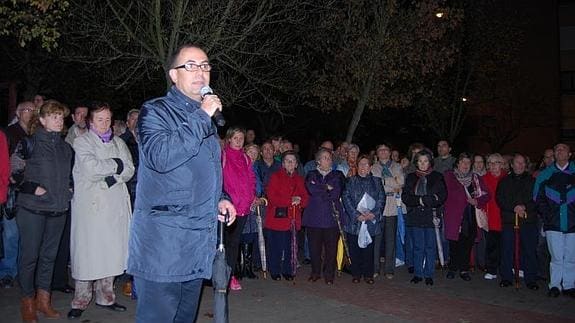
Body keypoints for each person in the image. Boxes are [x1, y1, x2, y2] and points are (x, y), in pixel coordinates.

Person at [127, 44, 236, 322]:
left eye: (205, 65)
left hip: (197, 242)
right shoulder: (155, 111)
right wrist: (202, 116)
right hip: (165, 244)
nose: (200, 71)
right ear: (174, 75)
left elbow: (200, 171)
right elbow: (161, 157)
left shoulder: (206, 120)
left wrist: (220, 197)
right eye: (191, 65)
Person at [67, 102, 135, 319]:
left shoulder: (118, 142)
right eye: (100, 119)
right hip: (92, 207)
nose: (105, 123)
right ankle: (80, 299)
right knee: (89, 253)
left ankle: (106, 296)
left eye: (107, 119)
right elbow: (92, 169)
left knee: (111, 252)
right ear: (90, 121)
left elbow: (130, 169)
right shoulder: (82, 142)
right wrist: (116, 166)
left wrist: (112, 172)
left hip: (115, 207)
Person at [11, 100, 73, 322]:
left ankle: (43, 301)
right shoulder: (29, 143)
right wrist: (32, 188)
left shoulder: (67, 148)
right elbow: (14, 173)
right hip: (32, 210)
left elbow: (68, 176)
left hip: (58, 209)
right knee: (30, 257)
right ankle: (28, 302)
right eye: (54, 116)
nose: (58, 121)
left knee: (49, 257)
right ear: (43, 120)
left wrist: (69, 189)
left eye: (60, 117)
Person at [1, 101, 36, 289]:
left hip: (32, 191)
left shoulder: (36, 133)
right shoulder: (9, 133)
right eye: (27, 110)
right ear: (18, 112)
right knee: (11, 233)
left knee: (28, 234)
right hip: (13, 190)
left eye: (34, 110)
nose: (31, 113)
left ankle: (24, 272)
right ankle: (7, 271)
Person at [534, 143, 575, 298]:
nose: (560, 152)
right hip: (553, 223)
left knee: (571, 257)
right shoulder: (546, 174)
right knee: (556, 257)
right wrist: (547, 216)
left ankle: (569, 285)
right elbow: (537, 198)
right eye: (557, 149)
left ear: (569, 154)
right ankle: (555, 285)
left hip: (572, 223)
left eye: (563, 149)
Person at [402, 150, 447, 286]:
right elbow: (406, 197)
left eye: (425, 161)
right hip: (416, 216)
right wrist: (421, 200)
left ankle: (429, 274)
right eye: (420, 161)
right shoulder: (411, 177)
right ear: (416, 162)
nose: (422, 164)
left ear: (430, 162)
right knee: (417, 246)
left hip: (431, 217)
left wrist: (429, 200)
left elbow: (442, 195)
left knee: (430, 246)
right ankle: (418, 273)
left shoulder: (437, 176)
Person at [443, 153, 489, 281]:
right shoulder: (449, 176)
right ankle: (452, 268)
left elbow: (486, 195)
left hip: (470, 216)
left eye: (468, 163)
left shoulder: (475, 178)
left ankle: (464, 269)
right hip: (454, 216)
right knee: (454, 244)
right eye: (463, 162)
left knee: (467, 244)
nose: (465, 165)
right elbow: (445, 193)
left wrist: (477, 201)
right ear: (457, 163)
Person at [496, 153, 539, 290]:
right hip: (510, 220)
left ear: (525, 165)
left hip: (528, 220)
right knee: (507, 250)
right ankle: (507, 277)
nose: (520, 165)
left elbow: (536, 198)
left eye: (522, 163)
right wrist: (514, 207)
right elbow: (500, 199)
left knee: (529, 250)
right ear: (512, 165)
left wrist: (524, 207)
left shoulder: (532, 181)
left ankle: (530, 279)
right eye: (517, 163)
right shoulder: (504, 181)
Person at [303, 147, 345, 285]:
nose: (328, 160)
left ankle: (329, 275)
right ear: (318, 161)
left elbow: (336, 193)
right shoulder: (311, 174)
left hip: (332, 218)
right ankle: (315, 272)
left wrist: (322, 188)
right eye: (325, 158)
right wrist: (326, 188)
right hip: (313, 218)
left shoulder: (337, 175)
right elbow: (311, 189)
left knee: (331, 249)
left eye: (330, 158)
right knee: (314, 248)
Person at [265, 151, 309, 281]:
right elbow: (272, 197)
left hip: (293, 218)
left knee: (290, 246)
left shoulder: (300, 179)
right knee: (276, 246)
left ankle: (288, 270)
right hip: (277, 219)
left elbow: (306, 198)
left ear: (296, 164)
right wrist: (290, 200)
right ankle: (275, 270)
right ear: (283, 163)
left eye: (293, 161)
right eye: (287, 160)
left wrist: (300, 201)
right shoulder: (275, 177)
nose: (290, 163)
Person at [222, 127, 257, 291]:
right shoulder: (222, 156)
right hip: (226, 207)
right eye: (235, 138)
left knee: (234, 243)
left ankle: (230, 276)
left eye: (241, 139)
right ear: (229, 139)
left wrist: (251, 197)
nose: (238, 141)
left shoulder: (246, 158)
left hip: (243, 207)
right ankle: (222, 275)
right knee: (224, 242)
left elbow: (251, 179)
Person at [342, 155, 385, 284]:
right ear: (357, 166)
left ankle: (368, 274)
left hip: (370, 221)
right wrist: (356, 215)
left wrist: (373, 213)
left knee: (369, 250)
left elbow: (381, 199)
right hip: (355, 222)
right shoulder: (350, 181)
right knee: (354, 249)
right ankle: (356, 274)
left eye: (366, 164)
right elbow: (346, 198)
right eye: (361, 164)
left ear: (370, 167)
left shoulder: (377, 181)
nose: (363, 167)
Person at [371, 143, 405, 279]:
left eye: (386, 150)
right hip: (378, 207)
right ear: (377, 153)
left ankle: (389, 269)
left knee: (391, 240)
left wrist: (384, 181)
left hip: (392, 206)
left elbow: (401, 183)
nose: (383, 152)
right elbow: (375, 186)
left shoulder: (397, 166)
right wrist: (393, 182)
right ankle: (375, 268)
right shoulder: (373, 168)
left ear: (390, 152)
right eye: (380, 150)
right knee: (377, 239)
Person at [482, 153, 506, 280]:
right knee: (491, 245)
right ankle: (491, 269)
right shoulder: (483, 179)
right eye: (490, 163)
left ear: (501, 164)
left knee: (505, 245)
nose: (492, 165)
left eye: (495, 162)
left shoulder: (507, 178)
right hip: (490, 217)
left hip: (505, 217)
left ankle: (506, 268)